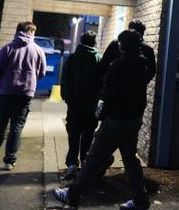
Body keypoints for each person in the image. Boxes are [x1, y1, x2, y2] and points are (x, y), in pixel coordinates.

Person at [54, 30, 154, 210]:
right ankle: (140, 200)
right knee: (131, 161)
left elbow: (109, 93)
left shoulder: (119, 65)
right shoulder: (143, 64)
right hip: (134, 119)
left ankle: (73, 194)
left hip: (116, 119)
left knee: (94, 157)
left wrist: (102, 108)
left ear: (122, 45)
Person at [0, 21, 47, 170]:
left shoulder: (7, 49)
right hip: (24, 94)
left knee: (0, 124)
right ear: (31, 32)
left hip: (5, 92)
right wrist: (30, 82)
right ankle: (9, 161)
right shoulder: (38, 50)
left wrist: (4, 81)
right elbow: (42, 72)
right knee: (16, 126)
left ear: (18, 31)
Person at [60, 30, 102, 177]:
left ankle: (72, 163)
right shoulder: (98, 59)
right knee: (88, 133)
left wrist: (66, 97)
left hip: (74, 104)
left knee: (73, 133)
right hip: (91, 104)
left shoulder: (72, 59)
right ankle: (85, 160)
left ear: (81, 42)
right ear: (94, 42)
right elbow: (102, 81)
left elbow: (64, 80)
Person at [99, 19, 156, 83]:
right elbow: (152, 71)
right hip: (137, 90)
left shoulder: (116, 44)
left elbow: (104, 63)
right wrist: (141, 82)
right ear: (142, 33)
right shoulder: (147, 49)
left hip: (116, 86)